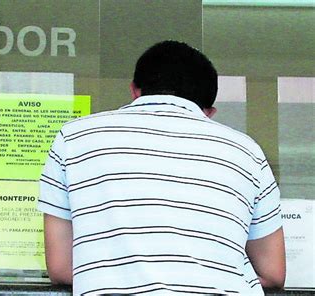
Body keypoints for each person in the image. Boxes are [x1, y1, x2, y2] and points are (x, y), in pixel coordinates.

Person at [37, 40, 285, 295]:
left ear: (135, 91)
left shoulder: (74, 137)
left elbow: (61, 267)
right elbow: (272, 272)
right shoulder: (247, 151)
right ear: (209, 112)